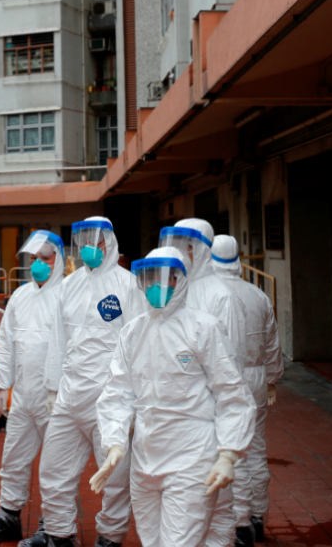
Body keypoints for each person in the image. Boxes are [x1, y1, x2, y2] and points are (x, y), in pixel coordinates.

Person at [89, 247, 255, 547]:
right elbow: (117, 392)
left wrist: (229, 453)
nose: (155, 286)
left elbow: (231, 393)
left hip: (192, 457)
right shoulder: (132, 332)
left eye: (163, 278)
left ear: (180, 280)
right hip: (145, 458)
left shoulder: (203, 328)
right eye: (149, 278)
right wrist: (114, 443)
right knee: (152, 541)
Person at [20, 216, 146, 547]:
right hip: (70, 398)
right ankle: (60, 535)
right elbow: (58, 343)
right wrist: (52, 389)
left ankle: (110, 537)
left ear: (109, 241)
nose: (90, 247)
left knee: (116, 478)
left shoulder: (128, 285)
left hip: (110, 402)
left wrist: (135, 403)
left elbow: (141, 346)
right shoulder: (70, 286)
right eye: (84, 240)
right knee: (52, 472)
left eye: (96, 240)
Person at [159, 218, 247, 547]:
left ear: (204, 250)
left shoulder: (220, 296)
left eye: (189, 245)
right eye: (177, 242)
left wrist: (226, 440)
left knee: (219, 505)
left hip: (207, 419)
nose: (182, 251)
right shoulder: (175, 290)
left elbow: (230, 372)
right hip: (177, 418)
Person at [0, 230, 66, 543]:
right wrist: (3, 385)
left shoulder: (67, 295)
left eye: (45, 258)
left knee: (56, 465)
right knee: (13, 458)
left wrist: (63, 392)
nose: (39, 264)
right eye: (34, 259)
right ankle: (9, 516)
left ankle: (54, 525)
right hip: (25, 397)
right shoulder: (21, 296)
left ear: (59, 260)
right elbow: (5, 342)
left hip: (55, 399)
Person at [211, 235, 283, 543]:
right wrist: (271, 380)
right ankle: (257, 516)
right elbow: (272, 343)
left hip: (227, 380)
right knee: (255, 449)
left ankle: (239, 524)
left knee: (231, 450)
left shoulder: (211, 295)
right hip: (256, 378)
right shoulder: (258, 294)